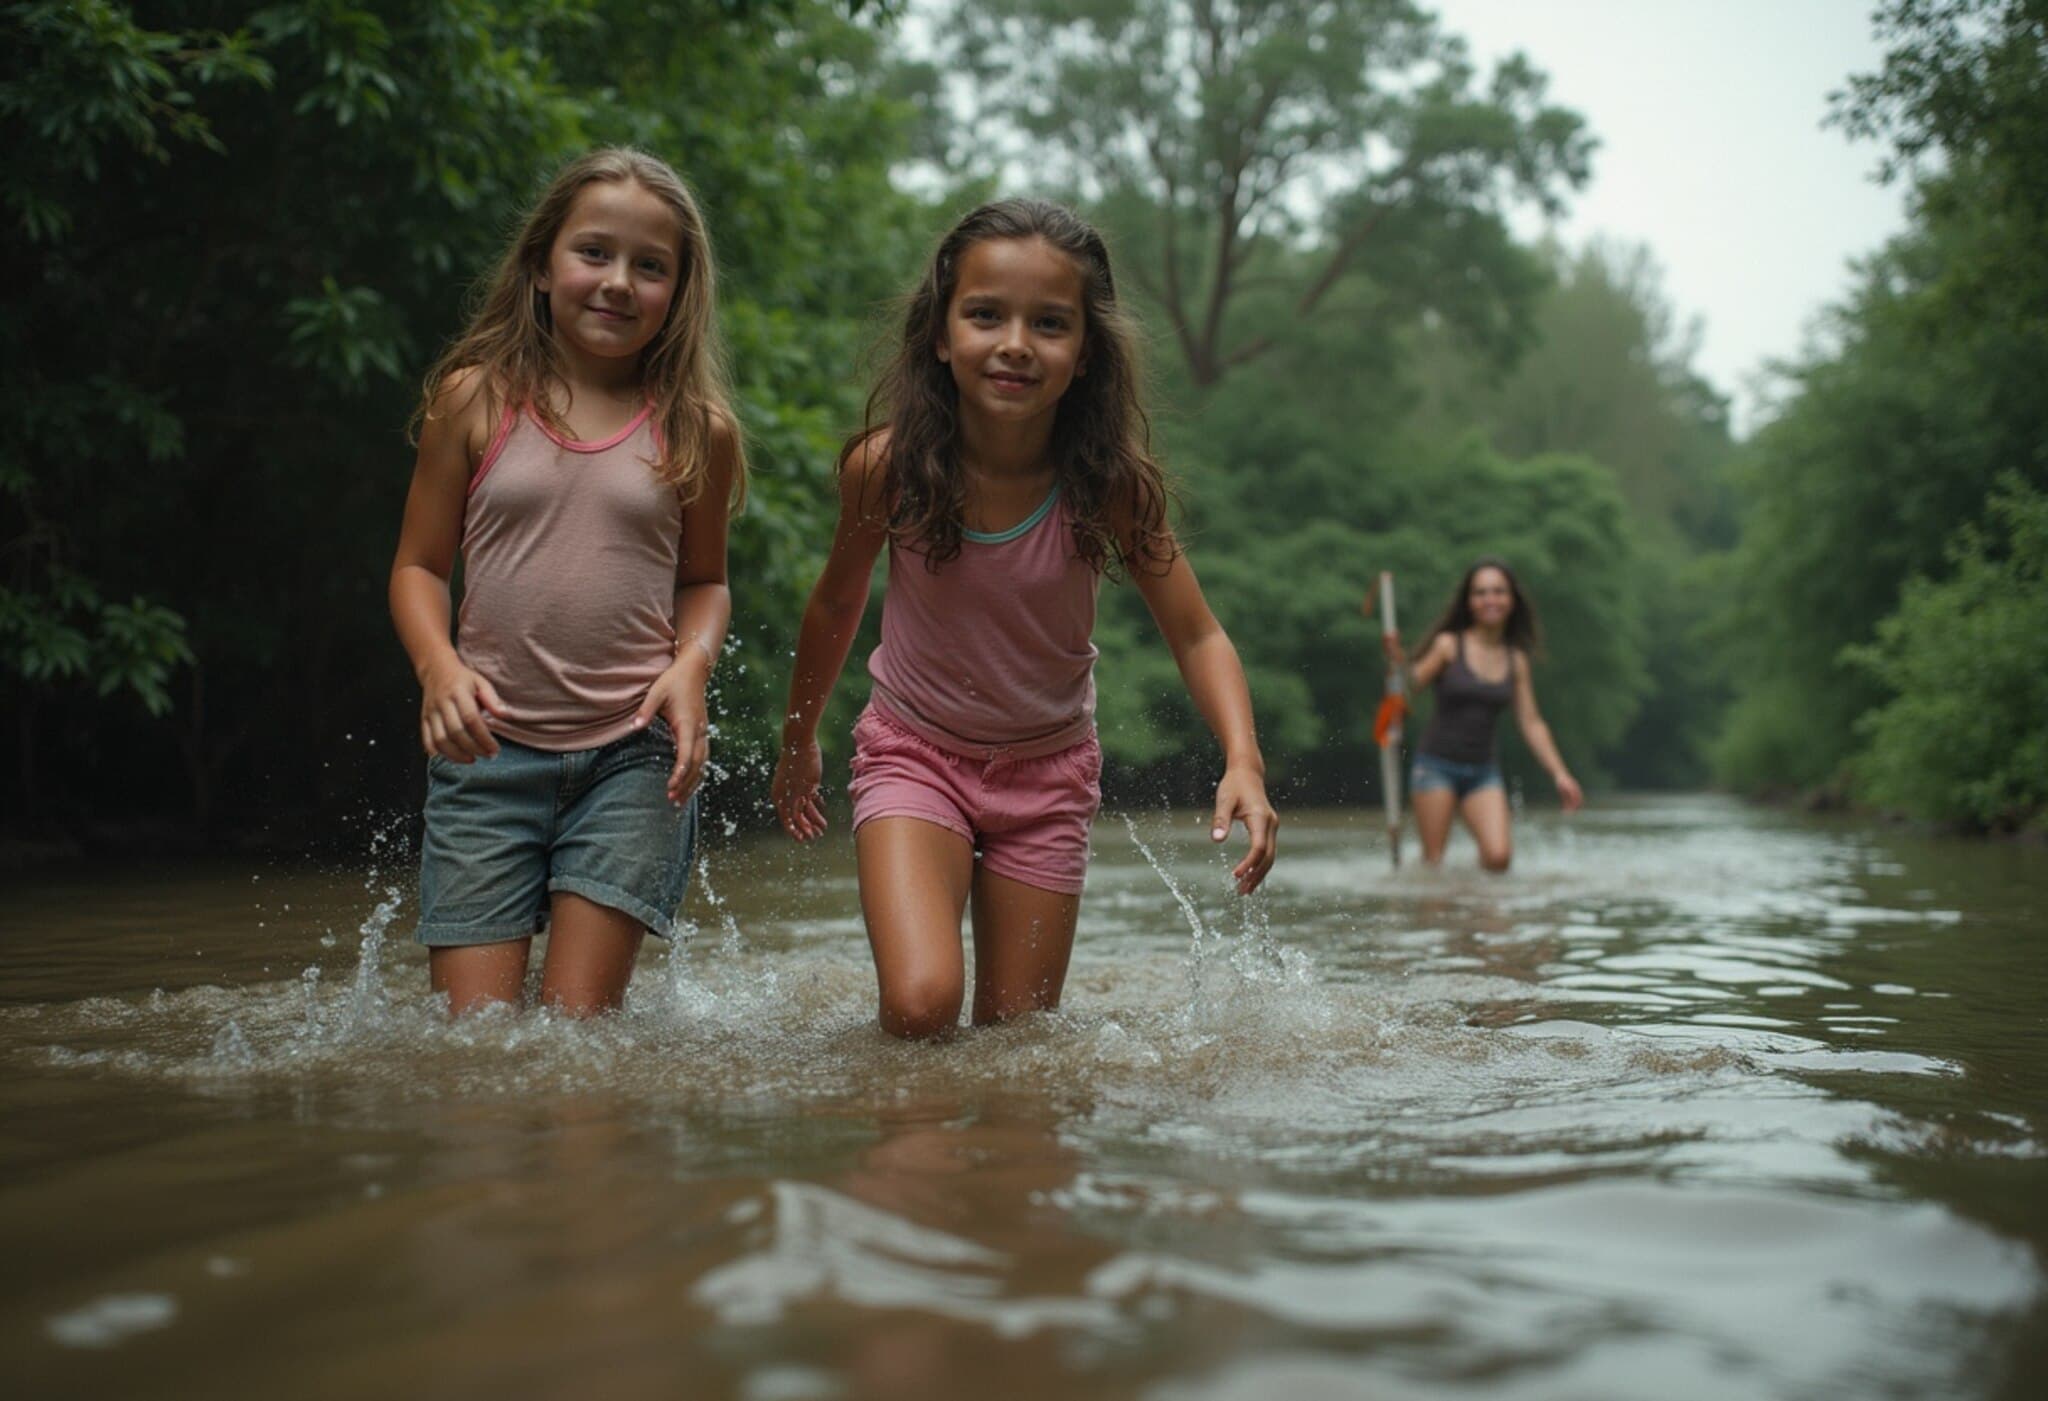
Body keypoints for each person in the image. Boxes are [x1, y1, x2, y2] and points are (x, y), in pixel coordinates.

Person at [769, 199, 1277, 1040]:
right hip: (913, 754)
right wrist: (799, 741)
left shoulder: (1110, 486)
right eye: (985, 315)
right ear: (941, 335)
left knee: (1018, 1043)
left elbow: (1196, 632)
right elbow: (836, 603)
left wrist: (1244, 761)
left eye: (1049, 323)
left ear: (1086, 353)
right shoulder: (888, 468)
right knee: (921, 1004)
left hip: (1047, 778)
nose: (1015, 343)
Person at [388, 148, 743, 1016]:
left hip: (634, 756)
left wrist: (691, 664)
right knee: (477, 1045)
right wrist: (438, 667)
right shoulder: (472, 399)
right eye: (594, 252)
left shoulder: (698, 428)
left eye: (650, 266)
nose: (618, 282)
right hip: (487, 749)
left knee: (574, 1038)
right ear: (542, 266)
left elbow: (705, 582)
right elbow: (419, 566)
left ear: (678, 292)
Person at [1383, 558, 1582, 871]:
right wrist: (1397, 662)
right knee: (1433, 864)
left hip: (1482, 771)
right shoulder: (1449, 646)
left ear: (1512, 600)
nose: (1490, 599)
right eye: (1481, 592)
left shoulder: (1516, 660)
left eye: (1498, 591)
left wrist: (1560, 774)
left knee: (1499, 858)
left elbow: (1531, 722)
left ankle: (1474, 898)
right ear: (1469, 601)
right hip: (1435, 766)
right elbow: (1408, 689)